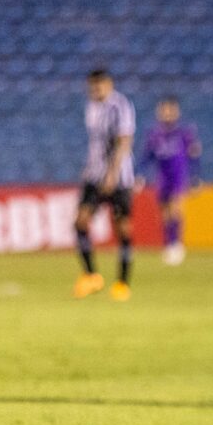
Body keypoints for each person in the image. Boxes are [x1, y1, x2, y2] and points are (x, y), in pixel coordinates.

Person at [73, 68, 136, 302]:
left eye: (99, 85)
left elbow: (124, 142)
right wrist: (89, 169)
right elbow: (96, 145)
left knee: (123, 228)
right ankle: (91, 276)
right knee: (80, 222)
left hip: (119, 179)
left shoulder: (120, 106)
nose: (95, 90)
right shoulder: (91, 107)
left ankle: (122, 283)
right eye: (92, 86)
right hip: (94, 176)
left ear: (108, 84)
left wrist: (112, 173)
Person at [138, 96, 201, 266]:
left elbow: (194, 155)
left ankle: (176, 245)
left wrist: (195, 177)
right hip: (162, 177)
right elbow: (147, 156)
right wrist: (141, 175)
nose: (166, 113)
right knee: (165, 213)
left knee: (175, 209)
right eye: (163, 110)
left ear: (176, 111)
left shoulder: (184, 133)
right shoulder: (154, 134)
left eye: (170, 110)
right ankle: (168, 244)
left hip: (178, 176)